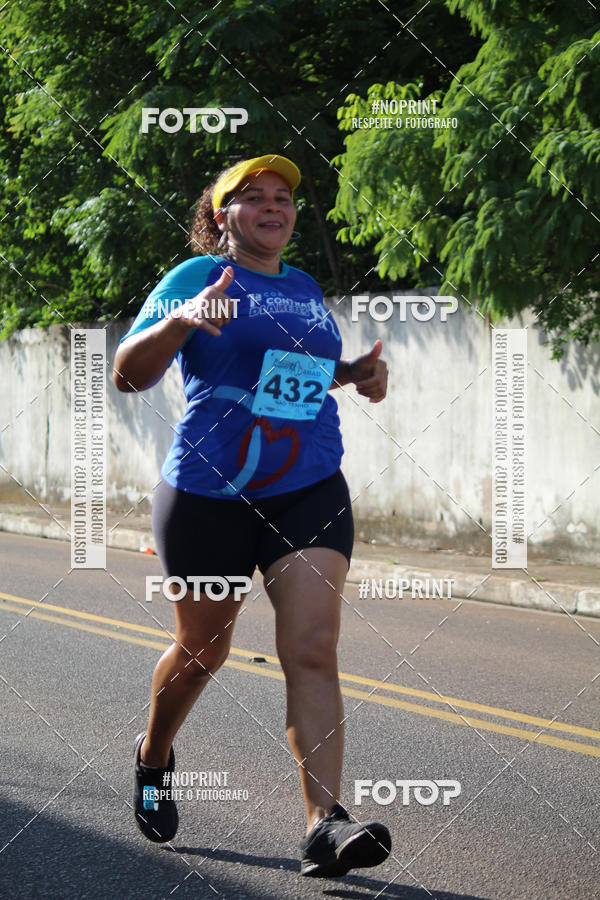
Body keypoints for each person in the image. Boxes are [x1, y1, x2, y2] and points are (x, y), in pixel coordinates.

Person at [112, 154, 390, 878]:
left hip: (308, 486)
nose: (273, 206)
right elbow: (129, 373)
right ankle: (154, 756)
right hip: (211, 495)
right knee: (203, 651)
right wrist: (182, 320)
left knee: (312, 647)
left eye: (283, 197)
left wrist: (353, 373)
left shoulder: (302, 287)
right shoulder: (196, 277)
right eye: (254, 197)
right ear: (223, 215)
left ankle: (324, 823)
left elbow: (293, 374)